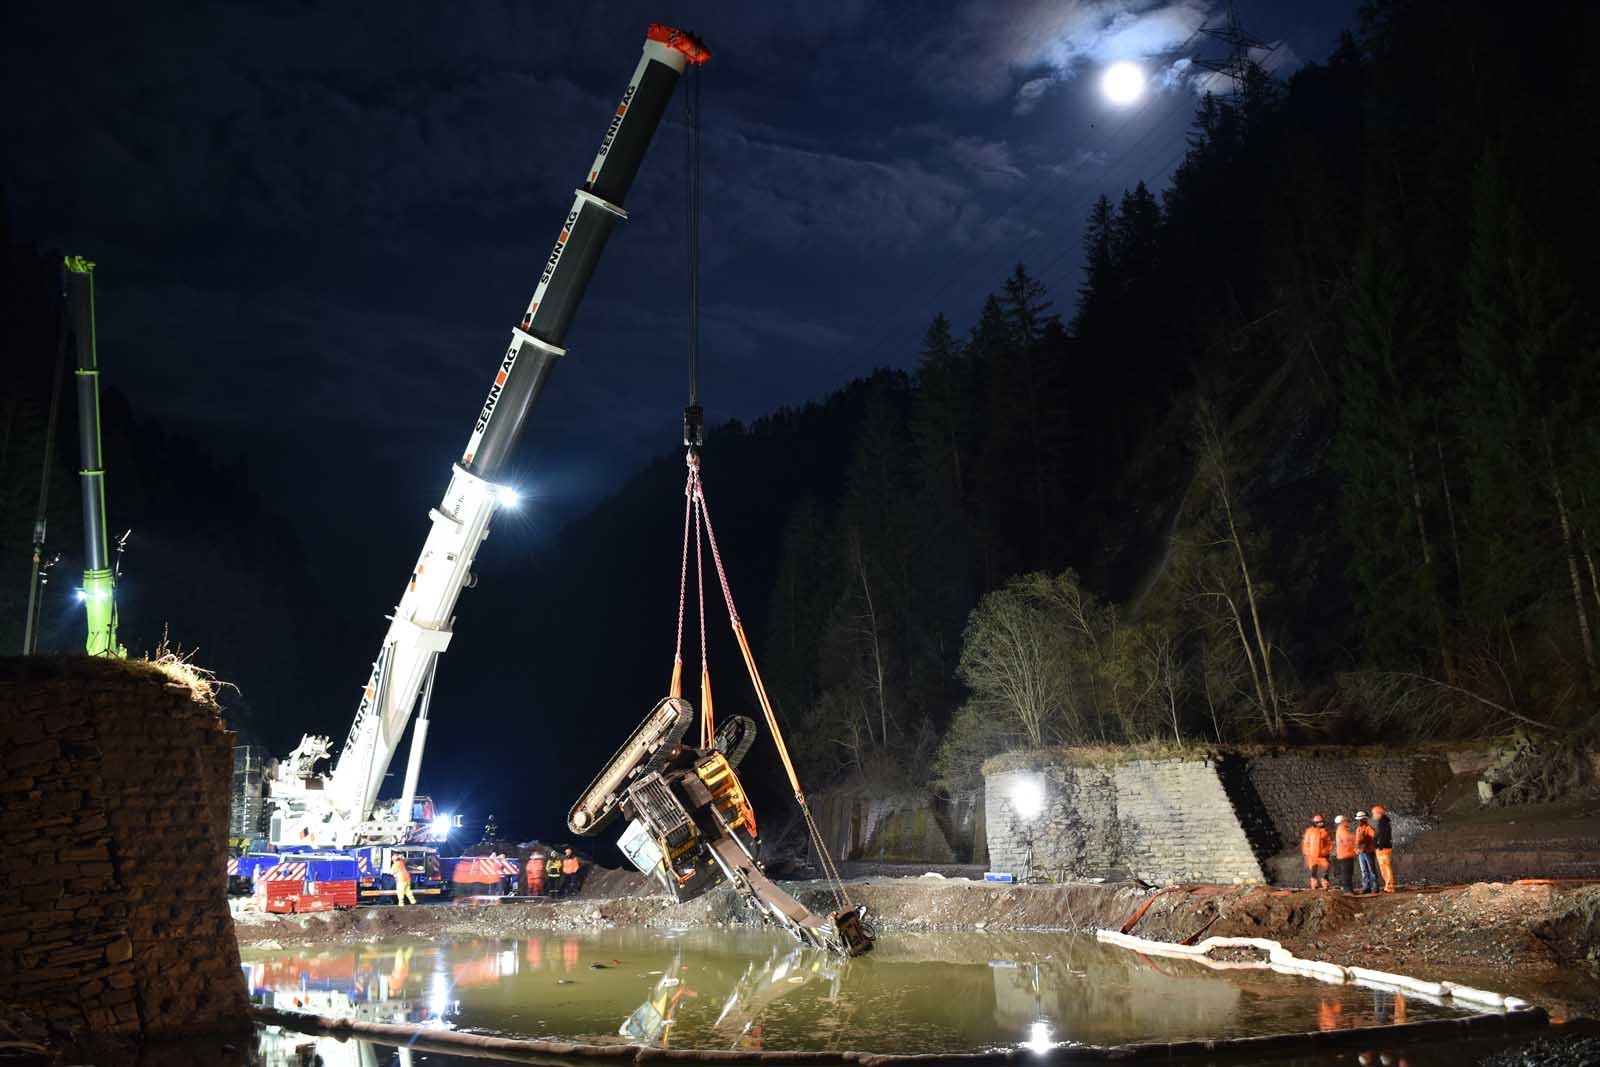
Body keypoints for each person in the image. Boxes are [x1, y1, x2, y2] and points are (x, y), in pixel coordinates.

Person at [1300, 814, 1331, 889]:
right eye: (1319, 822)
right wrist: (1307, 854)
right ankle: (1314, 885)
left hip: (1322, 856)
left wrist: (1326, 852)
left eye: (1322, 822)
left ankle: (1325, 883)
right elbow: (1306, 843)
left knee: (1326, 869)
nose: (1321, 824)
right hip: (1312, 856)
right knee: (1313, 872)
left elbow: (1328, 844)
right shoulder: (1309, 831)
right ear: (1315, 823)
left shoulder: (1325, 832)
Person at [1372, 804, 1396, 893]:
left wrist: (1379, 845)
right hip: (1384, 847)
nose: (1373, 816)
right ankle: (1388, 885)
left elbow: (1382, 836)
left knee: (1385, 867)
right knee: (1385, 867)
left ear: (1379, 814)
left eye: (1374, 814)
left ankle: (1389, 886)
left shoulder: (1382, 823)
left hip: (1383, 849)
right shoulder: (1384, 822)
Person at [1355, 811, 1379, 894]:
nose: (1359, 821)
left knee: (1371, 869)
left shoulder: (1369, 828)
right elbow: (1357, 841)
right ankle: (1366, 886)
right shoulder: (1359, 828)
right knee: (1364, 870)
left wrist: (1368, 843)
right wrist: (1357, 849)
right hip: (1361, 852)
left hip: (1368, 852)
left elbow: (1375, 838)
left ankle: (1375, 886)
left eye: (1361, 819)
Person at [1333, 815, 1357, 893]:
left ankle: (1348, 889)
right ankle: (1348, 890)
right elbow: (1347, 839)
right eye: (1345, 820)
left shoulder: (1340, 829)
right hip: (1346, 854)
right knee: (1347, 873)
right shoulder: (1342, 830)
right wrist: (1356, 838)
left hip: (1344, 854)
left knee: (1346, 873)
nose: (1347, 822)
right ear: (1342, 822)